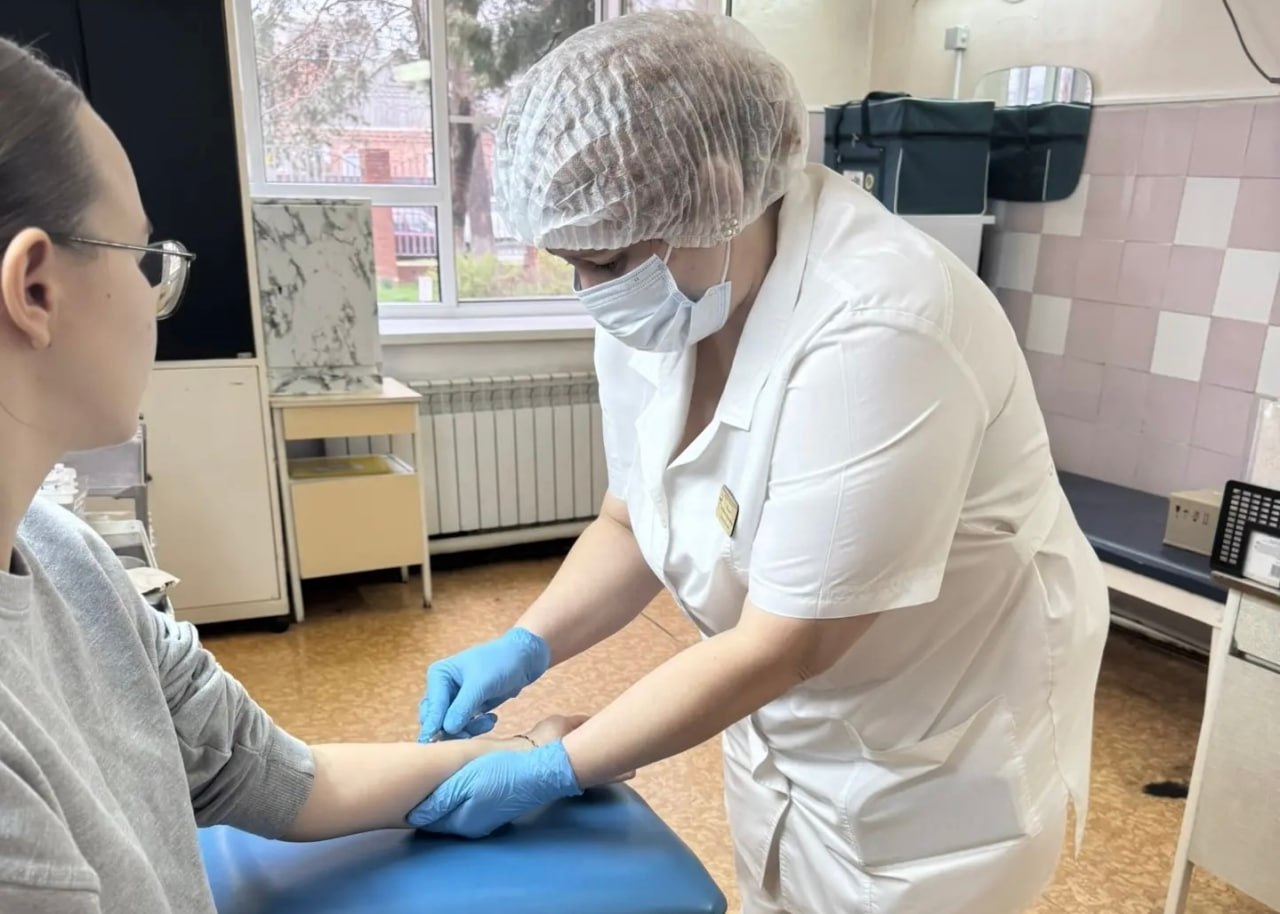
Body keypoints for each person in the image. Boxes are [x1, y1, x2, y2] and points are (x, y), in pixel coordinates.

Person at [411, 11, 1111, 914]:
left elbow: (789, 643)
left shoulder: (882, 323)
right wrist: (524, 645)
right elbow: (631, 520)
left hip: (925, 768)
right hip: (779, 728)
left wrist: (556, 766)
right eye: (571, 263)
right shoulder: (666, 297)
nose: (593, 293)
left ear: (716, 188)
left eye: (607, 260)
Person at [0, 37, 589, 914]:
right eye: (140, 257)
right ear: (35, 290)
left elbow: (264, 773)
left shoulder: (66, 557)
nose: (156, 295)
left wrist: (507, 759)